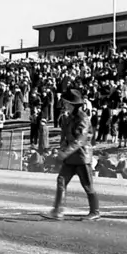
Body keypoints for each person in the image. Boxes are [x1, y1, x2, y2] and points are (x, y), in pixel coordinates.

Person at [44, 88, 100, 221]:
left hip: (81, 157)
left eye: (66, 103)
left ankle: (95, 211)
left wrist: (64, 152)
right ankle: (58, 211)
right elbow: (67, 138)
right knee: (61, 181)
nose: (64, 105)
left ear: (71, 104)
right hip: (71, 157)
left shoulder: (82, 118)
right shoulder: (69, 117)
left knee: (87, 185)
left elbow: (80, 140)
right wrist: (62, 149)